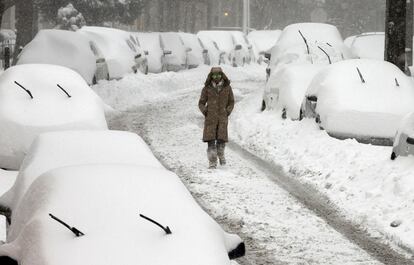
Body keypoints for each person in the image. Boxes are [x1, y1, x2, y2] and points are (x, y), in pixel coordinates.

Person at [198, 67, 235, 169]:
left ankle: (221, 156)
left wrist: (227, 111)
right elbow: (201, 103)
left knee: (221, 141)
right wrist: (205, 111)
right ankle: (212, 162)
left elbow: (231, 102)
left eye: (218, 75)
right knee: (211, 142)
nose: (216, 77)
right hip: (211, 119)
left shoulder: (227, 88)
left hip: (222, 119)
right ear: (211, 76)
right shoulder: (207, 88)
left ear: (222, 75)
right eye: (214, 75)